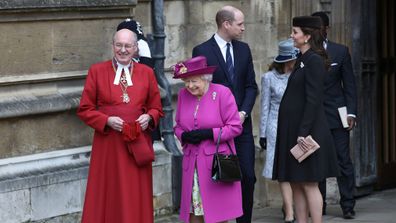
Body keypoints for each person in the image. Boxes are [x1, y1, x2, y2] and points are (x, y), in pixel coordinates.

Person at [77, 28, 163, 223]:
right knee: (108, 191)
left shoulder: (147, 72)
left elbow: (157, 108)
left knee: (134, 193)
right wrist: (106, 120)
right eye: (118, 45)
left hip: (137, 143)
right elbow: (85, 109)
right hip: (109, 145)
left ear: (135, 48)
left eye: (127, 46)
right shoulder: (97, 71)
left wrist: (149, 117)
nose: (123, 50)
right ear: (112, 46)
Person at [192, 6, 258, 222]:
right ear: (226, 24)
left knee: (248, 177)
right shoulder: (201, 51)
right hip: (217, 131)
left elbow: (251, 86)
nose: (243, 28)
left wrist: (243, 112)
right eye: (240, 24)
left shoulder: (244, 50)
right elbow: (198, 90)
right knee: (222, 178)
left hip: (242, 127)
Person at [272, 16, 339, 223]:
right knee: (295, 182)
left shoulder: (314, 60)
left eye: (295, 32)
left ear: (307, 36)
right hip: (293, 131)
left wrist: (303, 131)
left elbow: (313, 100)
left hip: (307, 131)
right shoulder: (301, 58)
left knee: (309, 183)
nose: (292, 36)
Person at [173, 56, 243, 223]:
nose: (190, 86)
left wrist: (209, 133)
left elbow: (235, 127)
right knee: (194, 213)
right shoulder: (183, 95)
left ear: (205, 78)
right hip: (192, 166)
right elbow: (177, 126)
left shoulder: (221, 93)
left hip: (215, 165)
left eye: (194, 81)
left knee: (217, 215)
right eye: (186, 81)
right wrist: (183, 135)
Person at [312, 11, 358, 219]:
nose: (316, 31)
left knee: (343, 161)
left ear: (326, 28)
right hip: (314, 117)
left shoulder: (340, 51)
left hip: (338, 116)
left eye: (319, 27)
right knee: (318, 162)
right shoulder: (305, 52)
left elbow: (349, 85)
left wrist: (351, 113)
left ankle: (348, 205)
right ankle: (318, 206)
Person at [259, 38, 298, 223]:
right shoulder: (269, 78)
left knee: (296, 169)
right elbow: (264, 106)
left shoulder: (300, 74)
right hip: (276, 126)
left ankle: (293, 206)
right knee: (283, 170)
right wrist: (263, 134)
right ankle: (289, 212)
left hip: (297, 126)